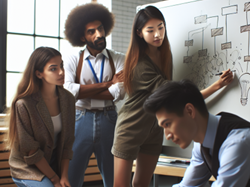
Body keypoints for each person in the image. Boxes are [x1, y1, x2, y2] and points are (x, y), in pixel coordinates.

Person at [111, 5, 234, 187]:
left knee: (142, 184)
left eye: (161, 27)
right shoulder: (140, 65)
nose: (157, 34)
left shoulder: (164, 56)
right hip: (131, 127)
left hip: (154, 130)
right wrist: (217, 85)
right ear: (139, 33)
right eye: (150, 30)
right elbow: (180, 96)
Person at [143, 79, 250, 187]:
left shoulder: (237, 143)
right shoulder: (201, 144)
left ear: (190, 111)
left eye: (167, 124)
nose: (167, 135)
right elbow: (187, 185)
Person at [63, 3, 125, 187]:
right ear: (82, 36)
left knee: (114, 178)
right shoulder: (73, 59)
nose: (98, 34)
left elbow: (119, 92)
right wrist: (107, 84)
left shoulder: (119, 58)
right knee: (72, 177)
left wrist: (82, 91)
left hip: (109, 118)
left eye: (100, 28)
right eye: (91, 31)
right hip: (79, 119)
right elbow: (68, 91)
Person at [5, 47, 75, 187]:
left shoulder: (68, 99)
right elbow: (31, 151)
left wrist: (64, 176)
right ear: (39, 74)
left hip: (53, 163)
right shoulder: (24, 104)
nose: (61, 72)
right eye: (53, 69)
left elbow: (67, 142)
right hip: (27, 167)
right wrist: (55, 179)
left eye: (61, 65)